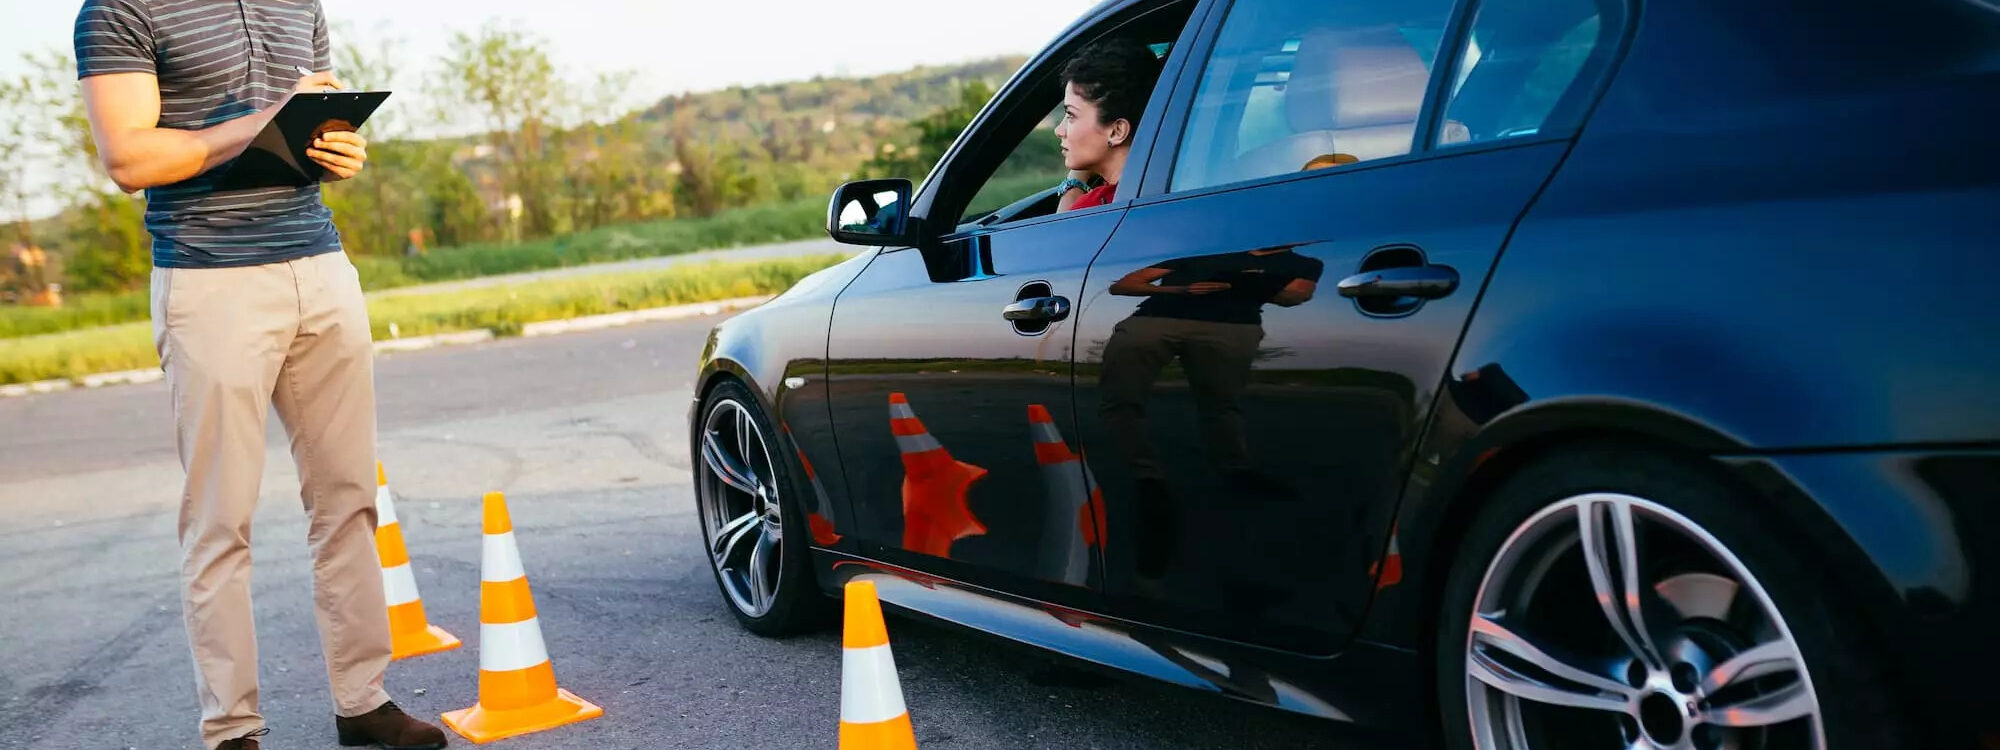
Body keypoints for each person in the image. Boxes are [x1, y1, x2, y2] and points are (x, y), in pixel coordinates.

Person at [72, 2, 445, 749]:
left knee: (348, 499)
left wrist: (337, 150)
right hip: (210, 282)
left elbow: (311, 127)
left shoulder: (296, 3)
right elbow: (130, 160)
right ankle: (232, 728)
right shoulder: (119, 10)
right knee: (220, 520)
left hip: (320, 264)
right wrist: (260, 120)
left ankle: (362, 701)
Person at [1055, 38, 1164, 212]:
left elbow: (1059, 233)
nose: (1059, 130)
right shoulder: (1165, 180)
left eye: (1071, 115)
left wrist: (1074, 181)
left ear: (1117, 131)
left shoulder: (1096, 208)